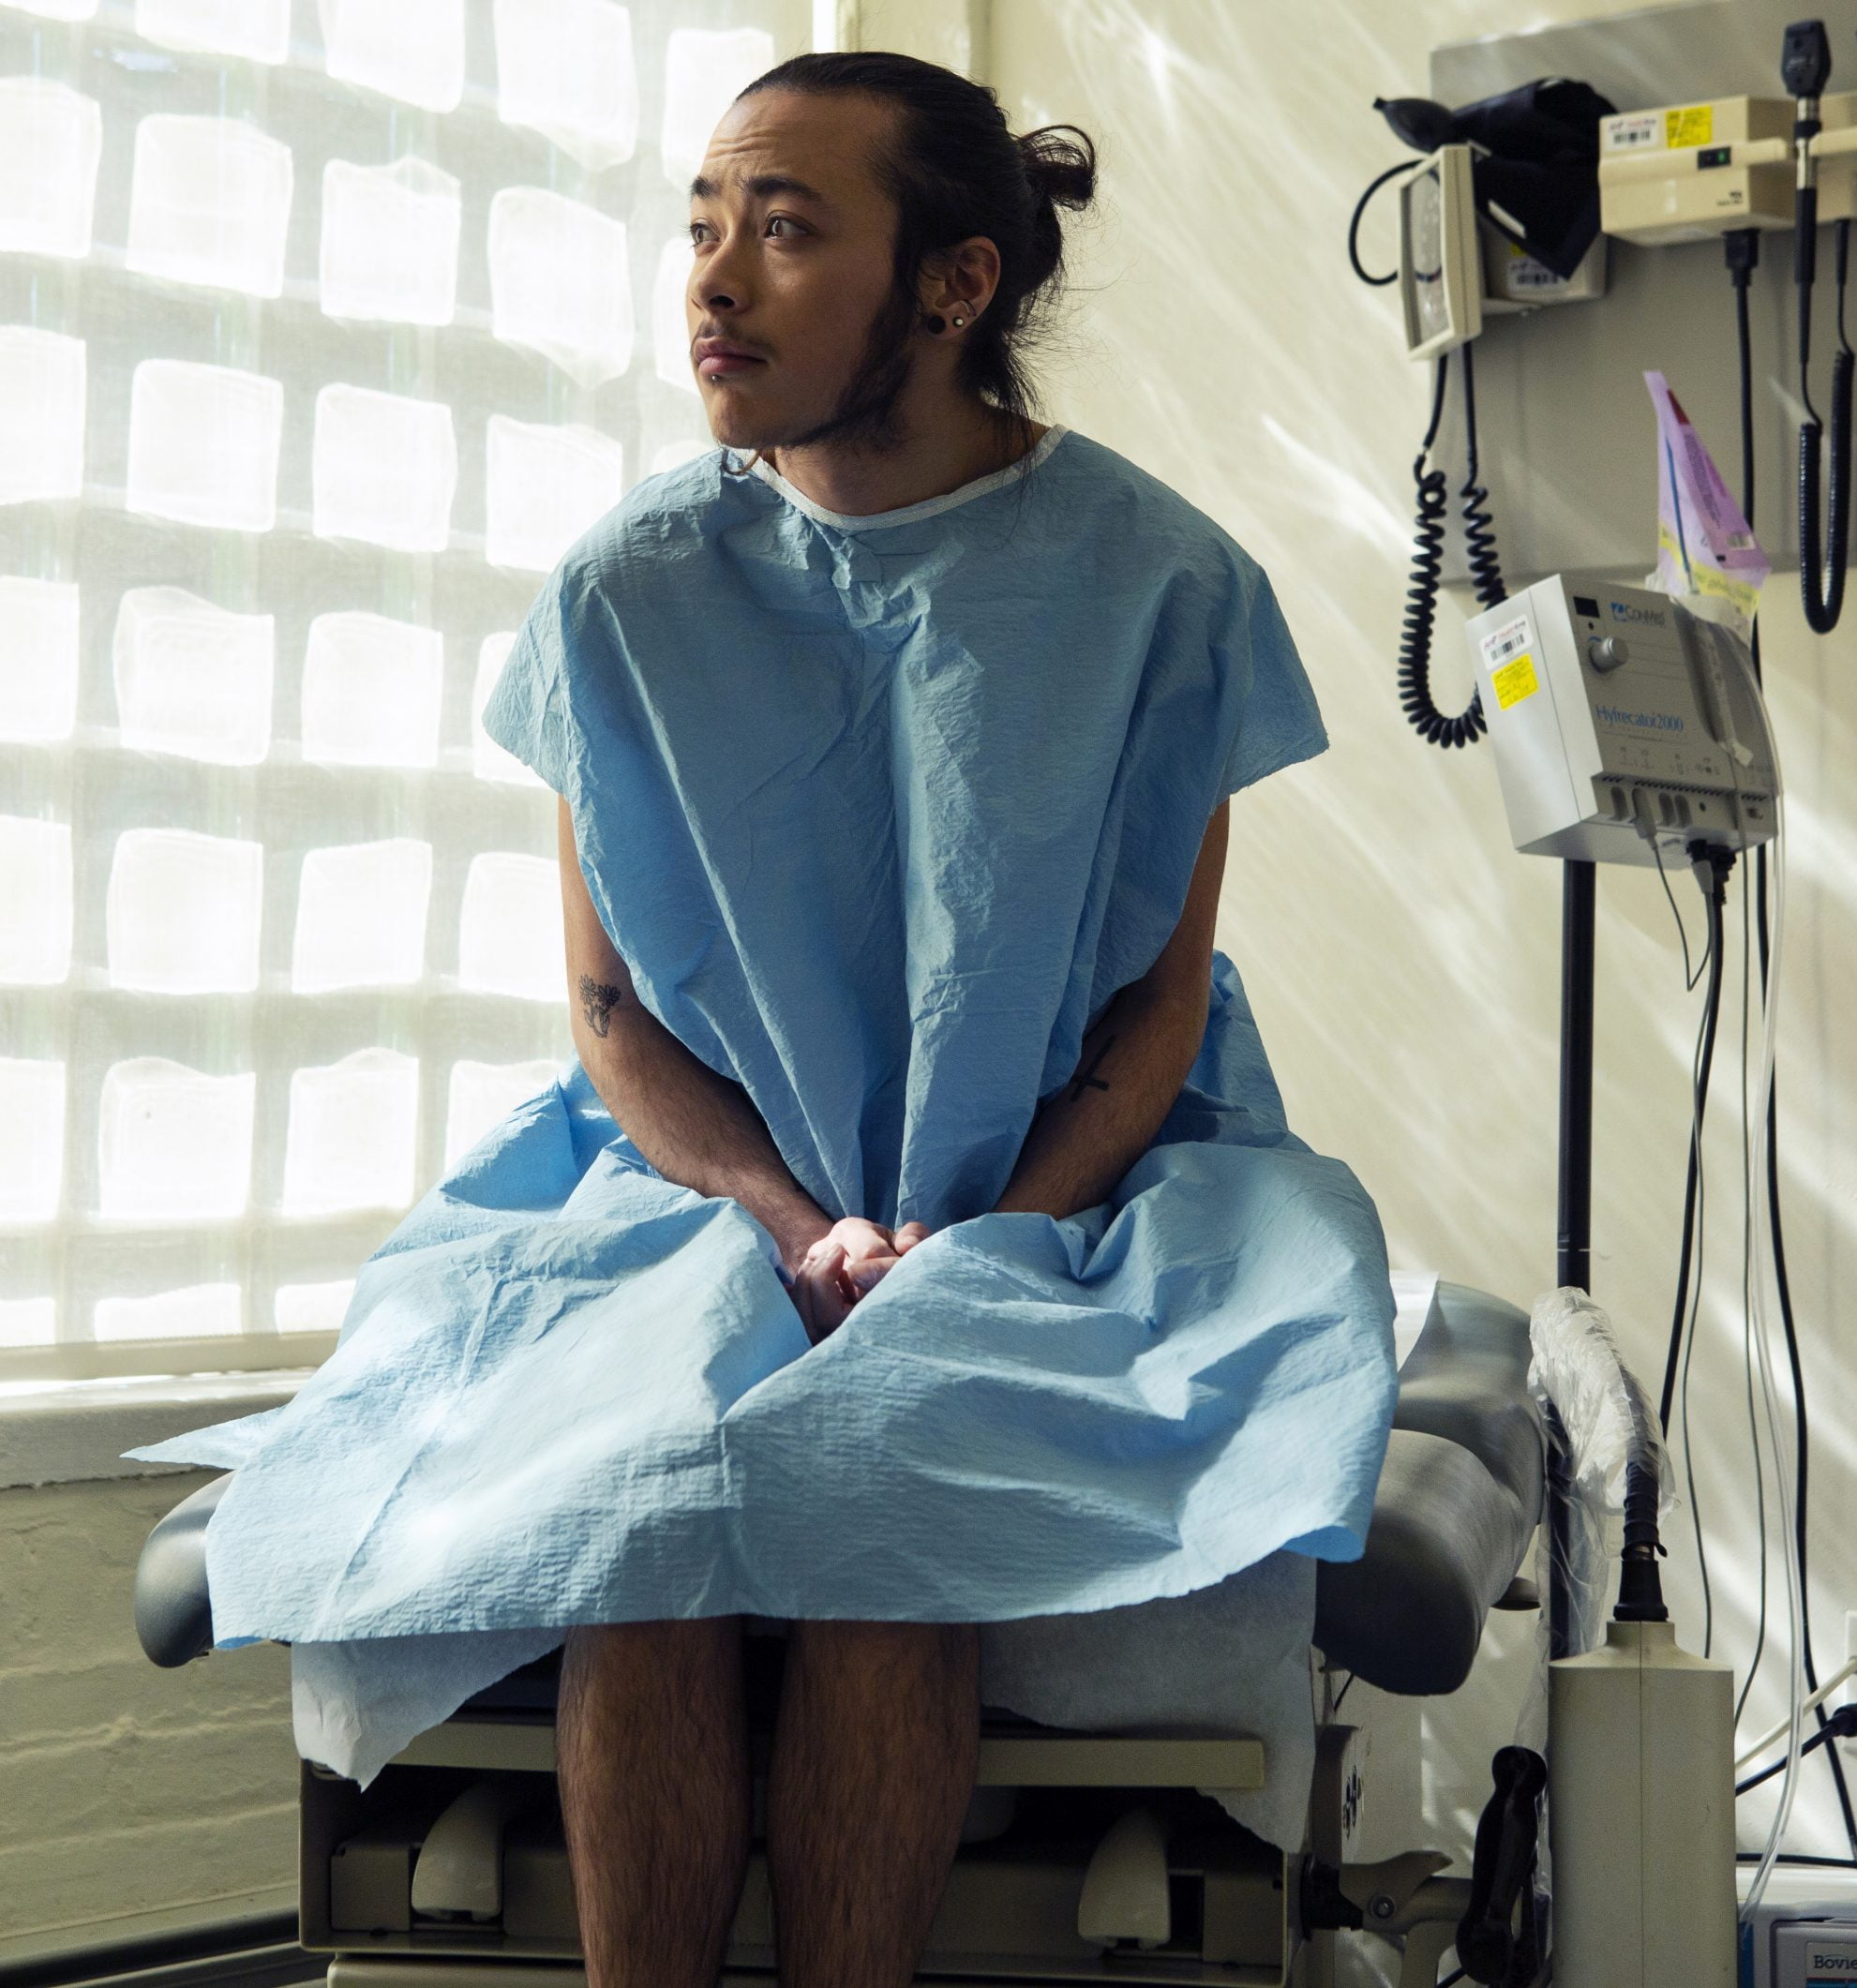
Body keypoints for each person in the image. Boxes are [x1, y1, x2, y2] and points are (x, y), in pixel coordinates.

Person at [136, 51, 1398, 1988]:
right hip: (695, 1176)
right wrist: (773, 1217)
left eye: (786, 227)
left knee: (888, 1473)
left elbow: (1154, 1013)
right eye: (704, 222)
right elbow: (608, 1009)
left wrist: (983, 1231)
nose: (713, 277)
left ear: (954, 283)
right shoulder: (622, 594)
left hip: (1073, 1186)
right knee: (647, 1490)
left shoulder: (1155, 587)